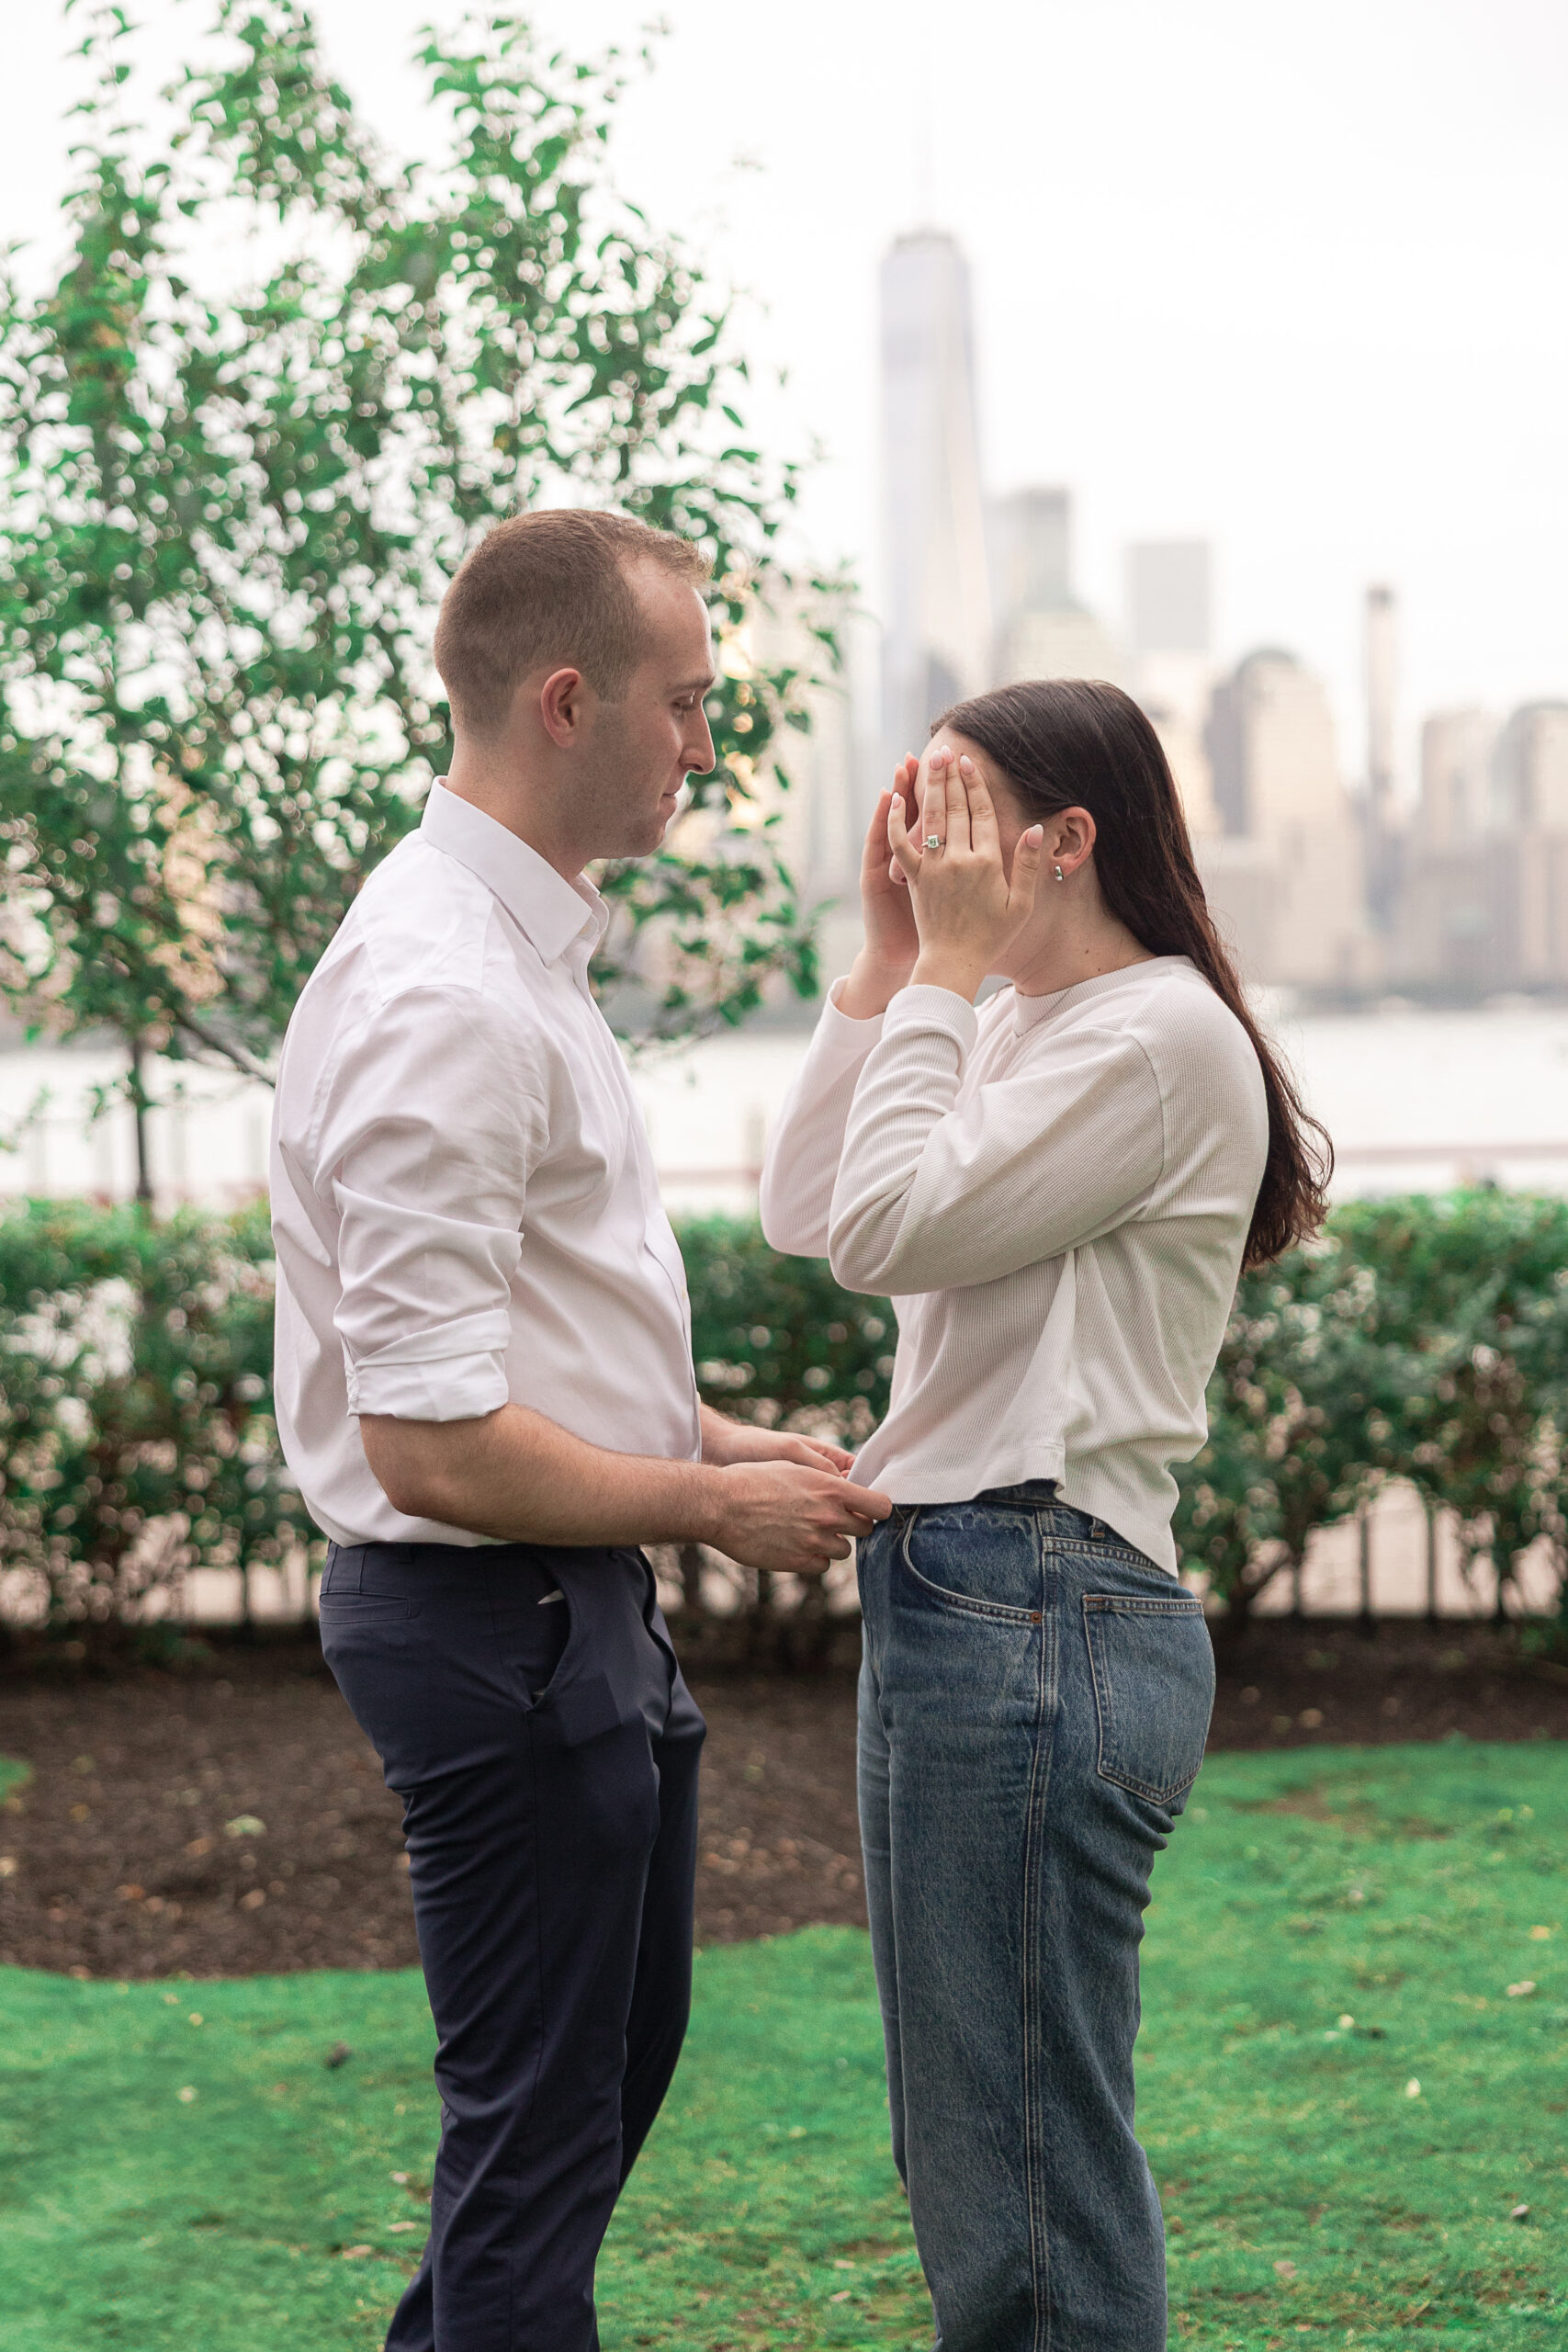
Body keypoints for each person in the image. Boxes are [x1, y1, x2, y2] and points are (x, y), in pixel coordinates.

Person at [269, 508, 891, 2352]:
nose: (707, 740)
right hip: (502, 1627)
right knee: (535, 2177)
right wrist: (705, 1498)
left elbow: (519, 1338)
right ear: (566, 700)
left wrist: (718, 1439)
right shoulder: (445, 988)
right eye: (687, 700)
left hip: (563, 1617)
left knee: (567, 2127)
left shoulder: (505, 954)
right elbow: (431, 1440)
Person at [761, 678, 1329, 2352]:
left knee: (1024, 2177)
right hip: (969, 1591)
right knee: (975, 2153)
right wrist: (889, 961)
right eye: (910, 807)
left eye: (951, 809)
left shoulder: (1155, 1038)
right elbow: (811, 1203)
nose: (919, 838)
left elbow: (878, 1229)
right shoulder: (1018, 1025)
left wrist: (939, 969)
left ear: (1062, 840)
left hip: (1040, 1593)